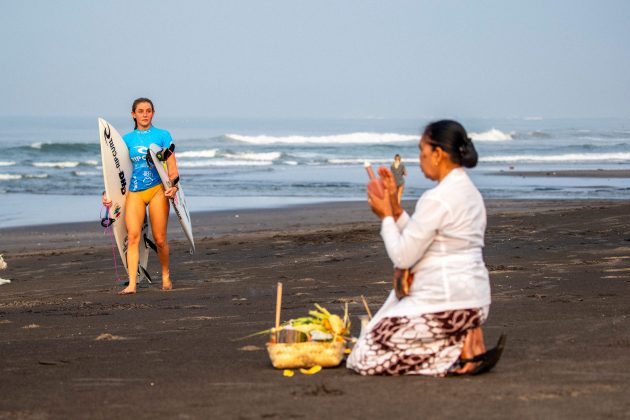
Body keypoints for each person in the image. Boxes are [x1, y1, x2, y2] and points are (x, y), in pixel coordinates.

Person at [347, 119, 504, 376]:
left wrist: (386, 216)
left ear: (439, 154)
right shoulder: (468, 192)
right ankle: (462, 338)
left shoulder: (437, 198)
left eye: (422, 152)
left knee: (363, 356)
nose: (420, 159)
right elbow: (423, 237)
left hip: (447, 303)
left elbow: (403, 255)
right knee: (375, 333)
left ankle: (455, 353)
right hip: (474, 301)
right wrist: (396, 211)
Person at [102, 98, 180, 294]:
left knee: (160, 239)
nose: (144, 114)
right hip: (135, 191)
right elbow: (116, 172)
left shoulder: (163, 136)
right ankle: (132, 284)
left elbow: (172, 167)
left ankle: (165, 275)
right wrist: (108, 193)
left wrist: (174, 186)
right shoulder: (125, 141)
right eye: (140, 111)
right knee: (134, 237)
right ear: (133, 114)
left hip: (157, 191)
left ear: (153, 113)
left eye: (148, 111)